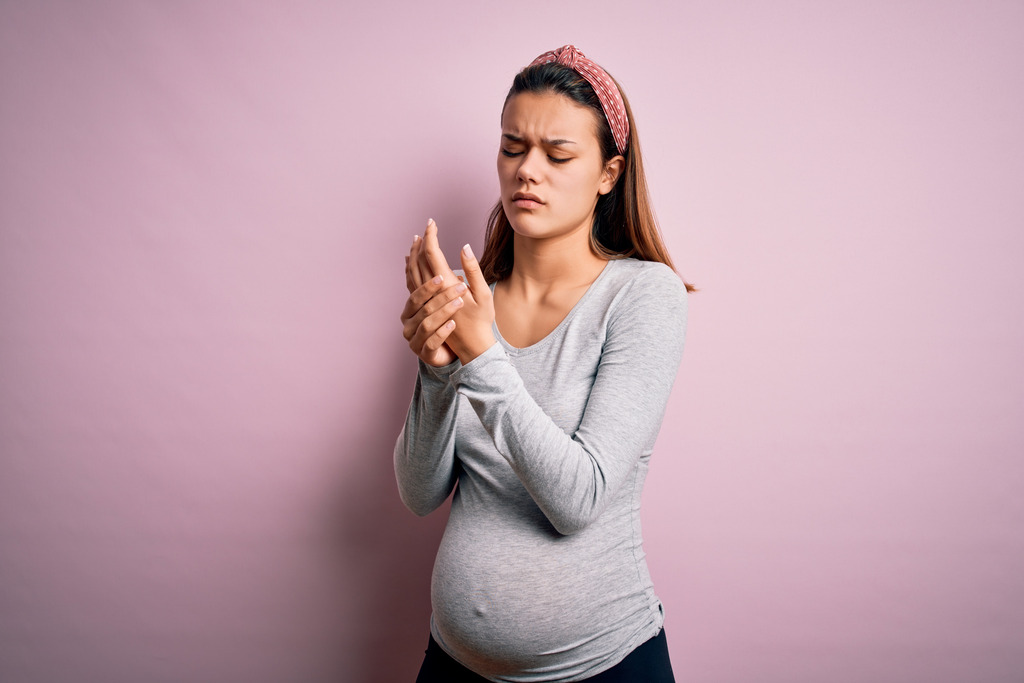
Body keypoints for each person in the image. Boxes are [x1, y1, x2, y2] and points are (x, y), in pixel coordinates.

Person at [395, 45, 693, 683]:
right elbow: (420, 494)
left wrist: (480, 357)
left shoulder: (644, 295)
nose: (528, 171)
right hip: (452, 664)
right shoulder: (478, 301)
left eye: (558, 155)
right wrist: (438, 367)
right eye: (512, 148)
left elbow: (577, 499)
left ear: (609, 173)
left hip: (604, 668)